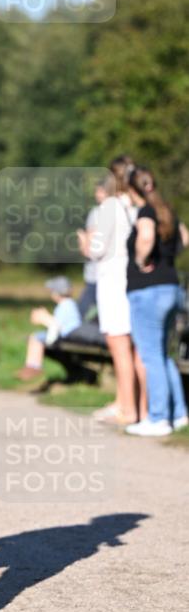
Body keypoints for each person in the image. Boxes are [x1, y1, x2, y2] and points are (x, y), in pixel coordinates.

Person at [77, 157, 145, 426]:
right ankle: (129, 403)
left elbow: (96, 250)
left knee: (119, 348)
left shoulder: (109, 207)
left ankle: (127, 409)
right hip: (134, 281)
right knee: (133, 347)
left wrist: (85, 241)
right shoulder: (137, 206)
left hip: (113, 283)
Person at [124, 167, 188, 436]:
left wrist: (141, 261)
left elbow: (146, 237)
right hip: (172, 287)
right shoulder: (167, 211)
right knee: (163, 355)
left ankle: (158, 418)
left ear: (131, 190)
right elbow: (185, 238)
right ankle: (180, 414)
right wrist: (167, 259)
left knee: (151, 356)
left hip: (148, 292)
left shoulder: (146, 212)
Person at [16, 276, 82, 380]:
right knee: (36, 336)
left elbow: (56, 326)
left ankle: (34, 366)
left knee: (36, 337)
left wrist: (44, 320)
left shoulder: (65, 306)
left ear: (56, 294)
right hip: (68, 334)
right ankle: (31, 366)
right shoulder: (69, 304)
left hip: (65, 335)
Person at [77, 181, 107, 321]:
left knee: (80, 315)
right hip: (114, 275)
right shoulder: (125, 210)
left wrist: (82, 238)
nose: (97, 195)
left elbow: (88, 249)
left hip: (95, 275)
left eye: (100, 191)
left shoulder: (96, 213)